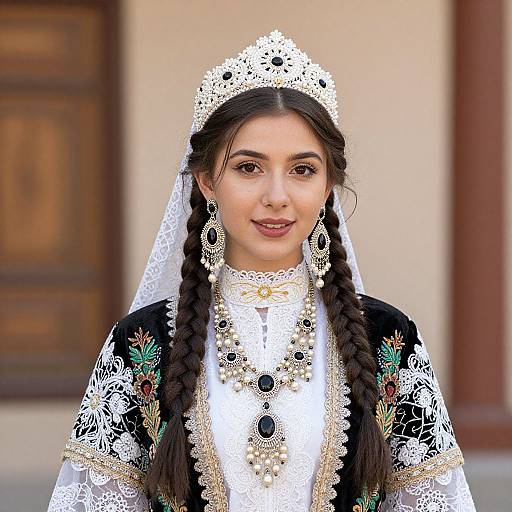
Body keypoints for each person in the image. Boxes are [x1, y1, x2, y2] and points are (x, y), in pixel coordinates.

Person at [47, 29, 476, 512]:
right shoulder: (142, 345)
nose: (277, 196)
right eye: (249, 167)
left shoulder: (388, 342)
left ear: (329, 183)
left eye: (303, 169)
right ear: (208, 181)